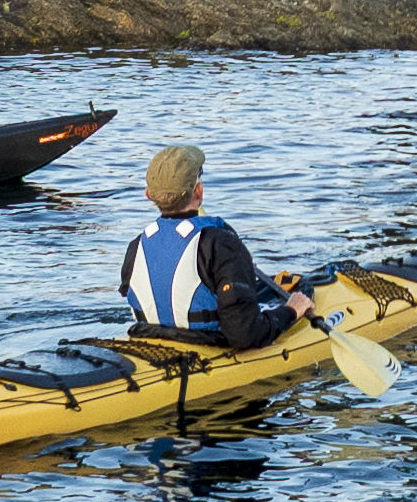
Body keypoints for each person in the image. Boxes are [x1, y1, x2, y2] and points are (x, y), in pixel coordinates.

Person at [118, 145, 319, 350]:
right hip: (208, 348)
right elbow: (245, 334)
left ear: (148, 195)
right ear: (199, 191)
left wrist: (239, 268)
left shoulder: (135, 247)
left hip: (151, 343)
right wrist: (291, 310)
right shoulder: (220, 243)